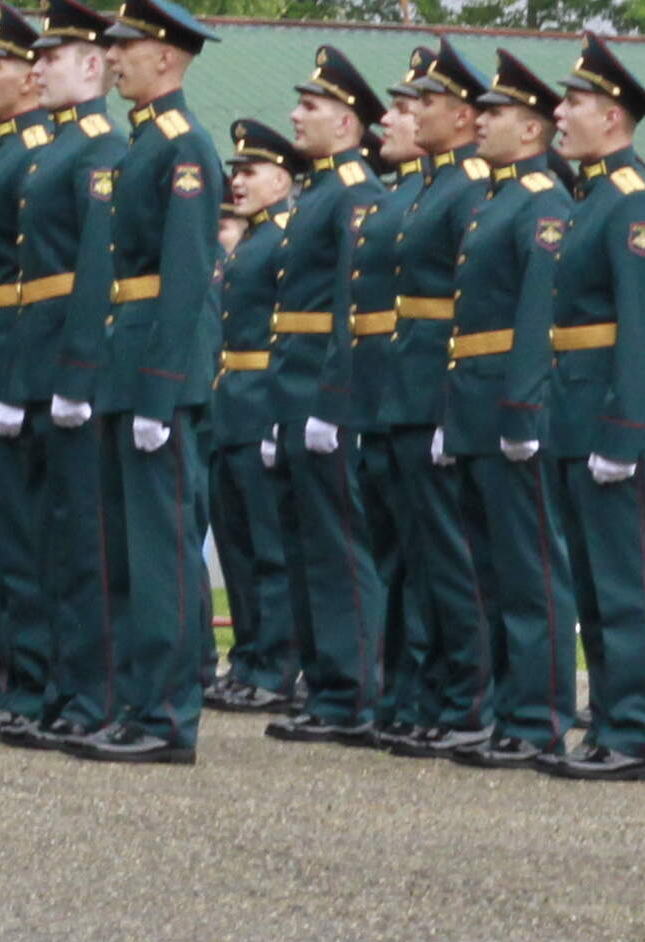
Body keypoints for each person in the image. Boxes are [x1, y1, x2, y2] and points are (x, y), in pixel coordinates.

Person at [78, 0, 224, 763]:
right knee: (129, 548)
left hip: (155, 371)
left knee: (163, 547)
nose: (112, 59)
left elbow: (186, 273)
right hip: (126, 359)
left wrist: (161, 388)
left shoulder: (183, 148)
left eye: (125, 47)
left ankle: (168, 716)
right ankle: (139, 702)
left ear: (165, 56)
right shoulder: (144, 142)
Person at [541, 37, 645, 781]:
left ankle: (631, 732)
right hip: (575, 405)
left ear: (611, 115)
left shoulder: (633, 201)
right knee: (595, 583)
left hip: (610, 410)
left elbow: (641, 323)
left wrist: (624, 430)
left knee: (625, 578)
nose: (559, 114)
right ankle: (606, 721)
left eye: (572, 103)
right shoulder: (592, 194)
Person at [0, 0, 126, 750]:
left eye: (50, 57)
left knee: (86, 542)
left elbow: (94, 273)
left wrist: (76, 376)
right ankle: (55, 684)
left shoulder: (101, 151)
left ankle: (92, 692)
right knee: (45, 538)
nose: (37, 68)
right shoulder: (53, 151)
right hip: (36, 356)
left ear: (90, 65)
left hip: (74, 365)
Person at [443, 50, 574, 765]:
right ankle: (507, 709)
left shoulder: (544, 201)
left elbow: (536, 315)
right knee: (491, 570)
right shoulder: (498, 198)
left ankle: (540, 714)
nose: (481, 123)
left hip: (508, 402)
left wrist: (523, 408)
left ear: (531, 130)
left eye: (494, 115)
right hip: (474, 397)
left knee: (530, 571)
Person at [263, 48, 392, 748]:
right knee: (308, 544)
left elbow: (353, 303)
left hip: (323, 385)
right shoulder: (318, 191)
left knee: (341, 546)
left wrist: (334, 400)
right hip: (293, 380)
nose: (295, 115)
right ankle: (324, 680)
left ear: (346, 121)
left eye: (309, 107)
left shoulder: (355, 193)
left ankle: (352, 690)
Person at [372, 44, 492, 755]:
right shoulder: (430, 186)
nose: (411, 111)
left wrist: (453, 402)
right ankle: (426, 691)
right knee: (421, 556)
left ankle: (464, 697)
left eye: (426, 100)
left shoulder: (467, 186)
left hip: (438, 389)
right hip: (407, 385)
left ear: (464, 115)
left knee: (452, 558)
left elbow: (468, 307)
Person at [206, 119, 301, 713]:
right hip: (230, 401)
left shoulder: (285, 240)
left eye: (251, 171)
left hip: (263, 399)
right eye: (235, 171)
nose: (237, 181)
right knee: (237, 546)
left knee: (270, 547)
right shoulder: (252, 242)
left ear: (283, 179)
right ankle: (247, 659)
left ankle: (275, 666)